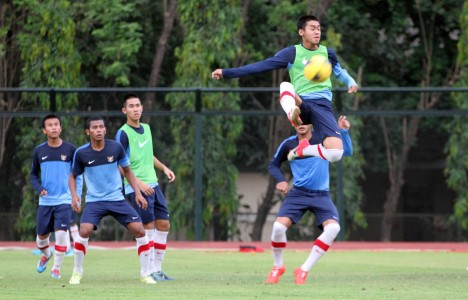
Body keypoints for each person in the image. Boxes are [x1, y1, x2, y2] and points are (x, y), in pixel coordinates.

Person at [212, 15, 358, 163]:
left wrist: (350, 82)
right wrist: (227, 72)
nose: (317, 32)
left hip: (322, 106)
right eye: (312, 28)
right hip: (302, 103)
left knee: (335, 154)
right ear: (301, 32)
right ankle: (291, 114)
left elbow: (340, 72)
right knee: (285, 86)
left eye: (319, 29)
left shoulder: (328, 53)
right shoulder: (292, 53)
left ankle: (304, 149)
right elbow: (261, 66)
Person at [68, 116, 157, 285]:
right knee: (84, 230)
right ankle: (77, 272)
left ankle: (145, 274)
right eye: (94, 127)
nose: (99, 130)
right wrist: (74, 195)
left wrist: (138, 193)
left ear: (105, 130)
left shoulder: (116, 148)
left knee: (139, 230)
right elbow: (72, 177)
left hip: (117, 199)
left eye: (101, 127)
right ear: (88, 131)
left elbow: (128, 171)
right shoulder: (81, 153)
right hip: (95, 201)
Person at [265, 115, 353, 285]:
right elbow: (273, 164)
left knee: (334, 228)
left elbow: (347, 152)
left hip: (321, 195)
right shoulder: (288, 144)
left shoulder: (322, 138)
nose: (301, 124)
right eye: (297, 121)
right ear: (293, 123)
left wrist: (343, 132)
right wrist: (282, 180)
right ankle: (278, 267)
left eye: (305, 121)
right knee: (277, 227)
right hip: (298, 193)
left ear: (311, 123)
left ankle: (303, 269)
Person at [115, 94, 176, 281]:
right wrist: (138, 184)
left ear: (142, 108)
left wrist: (164, 168)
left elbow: (148, 155)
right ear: (124, 111)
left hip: (154, 185)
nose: (135, 109)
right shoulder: (123, 133)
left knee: (164, 224)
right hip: (137, 188)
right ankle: (148, 271)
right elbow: (118, 164)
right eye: (131, 106)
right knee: (147, 226)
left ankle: (157, 269)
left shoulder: (147, 128)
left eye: (138, 105)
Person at [30, 114, 83, 279]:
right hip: (45, 201)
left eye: (56, 124)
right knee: (41, 239)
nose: (53, 127)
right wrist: (39, 188)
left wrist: (77, 196)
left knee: (61, 234)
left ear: (60, 128)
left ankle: (56, 268)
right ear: (44, 130)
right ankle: (46, 255)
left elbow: (77, 175)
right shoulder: (39, 151)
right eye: (50, 125)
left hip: (64, 200)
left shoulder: (70, 149)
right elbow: (33, 175)